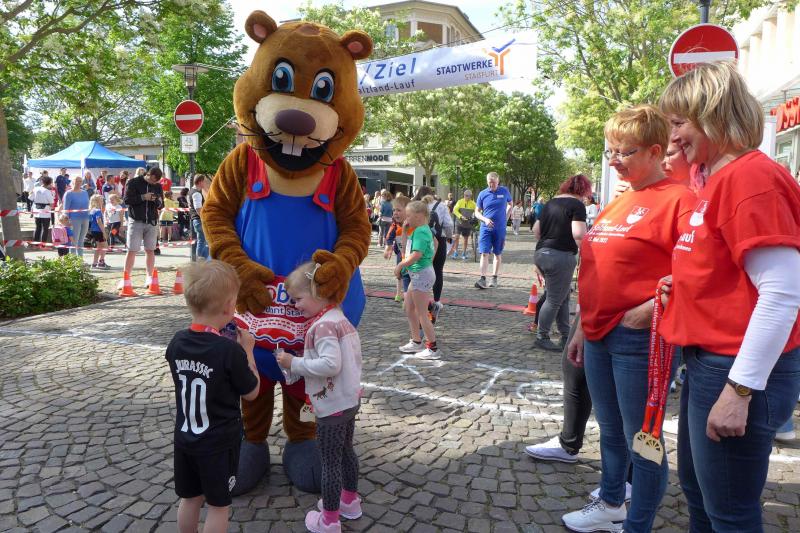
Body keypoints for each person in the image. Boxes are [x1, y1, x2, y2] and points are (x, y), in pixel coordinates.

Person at [658, 61, 800, 532]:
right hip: (712, 363)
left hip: (734, 368)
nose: (673, 137)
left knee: (729, 514)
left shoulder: (750, 177)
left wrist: (739, 391)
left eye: (679, 122)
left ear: (712, 114)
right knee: (703, 498)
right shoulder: (720, 178)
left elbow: (782, 294)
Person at [560, 105, 696, 533]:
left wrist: (648, 310)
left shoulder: (679, 199)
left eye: (625, 151)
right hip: (599, 332)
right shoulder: (621, 200)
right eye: (611, 151)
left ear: (655, 151)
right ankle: (611, 500)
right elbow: (595, 267)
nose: (614, 160)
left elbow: (695, 271)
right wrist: (582, 327)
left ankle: (637, 524)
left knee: (644, 436)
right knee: (611, 428)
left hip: (638, 338)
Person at [165, 260, 260, 533]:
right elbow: (252, 392)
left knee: (190, 498)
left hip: (185, 438)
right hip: (218, 444)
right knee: (219, 506)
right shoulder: (229, 351)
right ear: (230, 307)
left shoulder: (177, 342)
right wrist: (248, 351)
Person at [276, 261, 364, 533]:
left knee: (329, 463)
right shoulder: (339, 318)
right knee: (346, 451)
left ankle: (329, 520)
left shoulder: (323, 326)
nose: (295, 306)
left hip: (332, 407)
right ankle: (350, 501)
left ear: (318, 292)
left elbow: (330, 365)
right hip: (349, 400)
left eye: (298, 299)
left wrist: (293, 363)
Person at [532, 175, 589, 351]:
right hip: (561, 256)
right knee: (554, 299)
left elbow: (536, 230)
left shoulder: (550, 203)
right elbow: (578, 234)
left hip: (541, 253)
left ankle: (566, 335)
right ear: (583, 190)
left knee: (562, 297)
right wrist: (588, 254)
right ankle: (542, 336)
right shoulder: (577, 205)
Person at [395, 200, 440, 358]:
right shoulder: (420, 229)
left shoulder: (421, 231)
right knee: (409, 308)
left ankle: (432, 348)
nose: (406, 219)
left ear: (419, 216)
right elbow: (406, 249)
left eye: (409, 216)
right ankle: (416, 341)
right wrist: (405, 231)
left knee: (422, 313)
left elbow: (416, 255)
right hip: (418, 274)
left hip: (421, 274)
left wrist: (400, 265)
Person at [413, 186, 453, 323]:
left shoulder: (415, 205)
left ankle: (418, 300)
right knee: (437, 270)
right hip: (438, 240)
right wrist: (449, 237)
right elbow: (448, 224)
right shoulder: (441, 206)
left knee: (418, 269)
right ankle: (436, 301)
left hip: (419, 240)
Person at [124, 167, 164, 282]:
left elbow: (161, 205)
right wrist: (143, 197)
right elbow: (127, 200)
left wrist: (157, 200)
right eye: (152, 181)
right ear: (149, 175)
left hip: (151, 221)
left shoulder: (158, 186)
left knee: (150, 250)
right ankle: (126, 278)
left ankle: (149, 277)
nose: (153, 183)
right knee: (132, 250)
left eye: (155, 182)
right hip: (136, 220)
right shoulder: (133, 182)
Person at [474, 172, 512, 289]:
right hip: (486, 229)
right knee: (484, 253)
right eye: (490, 183)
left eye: (494, 183)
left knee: (497, 253)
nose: (492, 185)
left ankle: (494, 277)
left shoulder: (504, 191)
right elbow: (476, 212)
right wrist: (485, 219)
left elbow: (510, 204)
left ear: (498, 181)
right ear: (487, 182)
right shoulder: (482, 194)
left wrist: (505, 218)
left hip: (500, 229)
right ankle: (482, 278)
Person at [384, 195, 411, 302]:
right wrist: (388, 247)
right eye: (394, 210)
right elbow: (389, 236)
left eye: (399, 210)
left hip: (413, 256)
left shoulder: (414, 224)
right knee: (400, 273)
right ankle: (399, 293)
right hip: (401, 253)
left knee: (412, 276)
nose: (395, 213)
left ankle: (412, 297)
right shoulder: (395, 225)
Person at [63, 175, 90, 257]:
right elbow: (66, 209)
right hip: (74, 219)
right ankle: (73, 258)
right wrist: (66, 221)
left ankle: (80, 258)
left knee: (81, 239)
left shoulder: (85, 192)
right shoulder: (68, 193)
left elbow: (88, 205)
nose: (78, 183)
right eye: (77, 181)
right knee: (74, 239)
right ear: (73, 182)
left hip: (85, 218)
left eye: (80, 181)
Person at [189, 174, 210, 260]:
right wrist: (204, 218)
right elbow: (198, 209)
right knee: (202, 241)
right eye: (204, 181)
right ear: (200, 182)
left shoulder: (192, 191)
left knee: (202, 240)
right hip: (199, 220)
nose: (205, 183)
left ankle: (203, 259)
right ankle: (200, 260)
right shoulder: (196, 193)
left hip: (196, 220)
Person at [451, 189, 476, 260]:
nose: (467, 197)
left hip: (468, 224)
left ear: (471, 196)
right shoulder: (460, 201)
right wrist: (460, 216)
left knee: (465, 239)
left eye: (468, 196)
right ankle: (455, 252)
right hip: (459, 223)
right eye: (465, 195)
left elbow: (477, 211)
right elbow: (454, 210)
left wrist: (474, 218)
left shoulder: (473, 204)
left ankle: (464, 253)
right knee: (457, 237)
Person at [88, 194, 109, 270]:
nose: (103, 201)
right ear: (97, 201)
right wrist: (104, 232)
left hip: (93, 231)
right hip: (98, 230)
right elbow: (99, 221)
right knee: (105, 246)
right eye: (101, 200)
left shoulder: (92, 210)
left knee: (98, 247)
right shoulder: (97, 210)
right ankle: (101, 262)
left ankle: (94, 263)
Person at [31, 176, 55, 243]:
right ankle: (43, 245)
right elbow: (52, 204)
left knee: (37, 227)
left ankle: (35, 244)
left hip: (36, 210)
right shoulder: (47, 191)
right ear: (49, 183)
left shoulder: (35, 189)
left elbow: (30, 198)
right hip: (45, 212)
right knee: (45, 229)